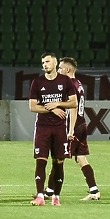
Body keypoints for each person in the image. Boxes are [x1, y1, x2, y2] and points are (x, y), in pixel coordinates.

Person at [45, 57, 101, 201]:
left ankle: (50, 192)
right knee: (81, 158)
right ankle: (94, 191)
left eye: (60, 68)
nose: (58, 71)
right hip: (82, 125)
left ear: (67, 70)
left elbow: (73, 108)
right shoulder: (78, 84)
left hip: (73, 126)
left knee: (58, 158)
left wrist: (70, 131)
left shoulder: (69, 84)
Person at [28, 52, 77, 206]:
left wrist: (57, 104)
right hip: (42, 127)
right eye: (43, 62)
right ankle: (40, 196)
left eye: (47, 62)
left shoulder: (65, 81)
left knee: (59, 162)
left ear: (55, 63)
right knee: (41, 161)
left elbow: (73, 103)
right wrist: (52, 109)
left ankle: (56, 196)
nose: (44, 65)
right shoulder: (37, 82)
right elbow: (32, 107)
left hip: (59, 128)